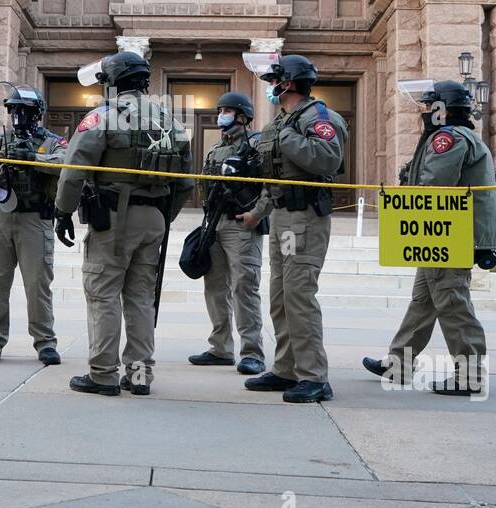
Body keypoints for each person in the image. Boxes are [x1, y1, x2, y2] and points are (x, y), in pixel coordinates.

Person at [54, 51, 193, 396]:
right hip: (154, 218)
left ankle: (103, 375)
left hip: (115, 219)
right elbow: (187, 183)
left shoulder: (103, 117)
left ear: (113, 82)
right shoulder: (171, 122)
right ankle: (141, 375)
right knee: (141, 298)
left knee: (103, 294)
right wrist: (163, 215)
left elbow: (73, 173)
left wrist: (62, 212)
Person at [363, 80, 496, 395]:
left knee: (452, 302)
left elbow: (434, 185)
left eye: (430, 106)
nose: (425, 112)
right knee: (423, 302)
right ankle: (399, 364)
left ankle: (469, 375)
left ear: (441, 108)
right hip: (442, 234)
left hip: (449, 234)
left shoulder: (448, 138)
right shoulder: (457, 136)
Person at [237, 53, 348, 404]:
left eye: (273, 82)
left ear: (287, 82)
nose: (269, 88)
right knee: (281, 295)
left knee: (299, 295)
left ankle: (314, 376)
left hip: (306, 218)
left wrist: (286, 138)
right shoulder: (283, 121)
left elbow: (329, 158)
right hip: (284, 219)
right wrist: (256, 214)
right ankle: (287, 368)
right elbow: (275, 180)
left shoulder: (318, 116)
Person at [0, 85, 66, 366]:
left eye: (24, 110)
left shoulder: (51, 141)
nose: (18, 116)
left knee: (38, 283)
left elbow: (64, 164)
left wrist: (33, 158)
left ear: (37, 113)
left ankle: (45, 342)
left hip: (35, 219)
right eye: (13, 110)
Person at [188, 91, 266, 376]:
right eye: (221, 110)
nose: (223, 115)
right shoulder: (215, 150)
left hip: (241, 224)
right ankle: (220, 348)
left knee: (244, 286)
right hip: (215, 222)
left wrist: (257, 214)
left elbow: (268, 184)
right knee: (215, 287)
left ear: (243, 116)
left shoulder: (256, 145)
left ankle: (252, 352)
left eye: (229, 111)